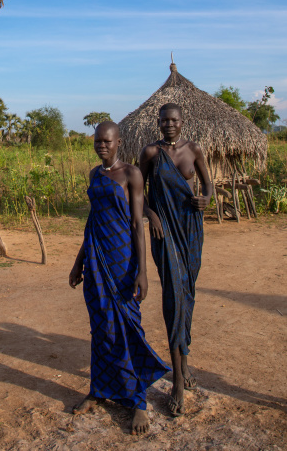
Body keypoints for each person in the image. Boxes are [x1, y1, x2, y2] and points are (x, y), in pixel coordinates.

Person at [69, 121, 169, 435]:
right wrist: (78, 262)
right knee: (100, 328)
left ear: (118, 142)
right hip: (97, 261)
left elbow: (139, 224)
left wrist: (143, 272)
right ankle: (99, 390)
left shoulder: (131, 175)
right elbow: (92, 221)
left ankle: (138, 401)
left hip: (123, 260)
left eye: (107, 141)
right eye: (98, 141)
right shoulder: (94, 175)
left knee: (128, 328)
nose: (102, 146)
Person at [139, 103, 212, 417]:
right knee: (174, 298)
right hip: (164, 233)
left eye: (174, 120)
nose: (169, 124)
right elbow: (136, 193)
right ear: (159, 122)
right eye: (164, 120)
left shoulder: (194, 149)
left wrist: (205, 200)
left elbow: (208, 186)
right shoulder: (150, 153)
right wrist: (151, 214)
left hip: (191, 231)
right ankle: (178, 379)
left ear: (182, 123)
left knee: (187, 295)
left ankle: (184, 358)